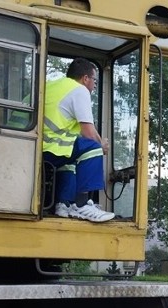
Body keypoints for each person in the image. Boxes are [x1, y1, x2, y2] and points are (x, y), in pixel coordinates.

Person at [42, 58, 113, 222]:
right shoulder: (79, 90)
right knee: (92, 147)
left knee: (70, 158)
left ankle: (63, 204)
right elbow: (89, 133)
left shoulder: (50, 86)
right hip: (49, 148)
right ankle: (82, 204)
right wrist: (101, 144)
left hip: (33, 147)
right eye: (94, 79)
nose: (95, 84)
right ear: (85, 78)